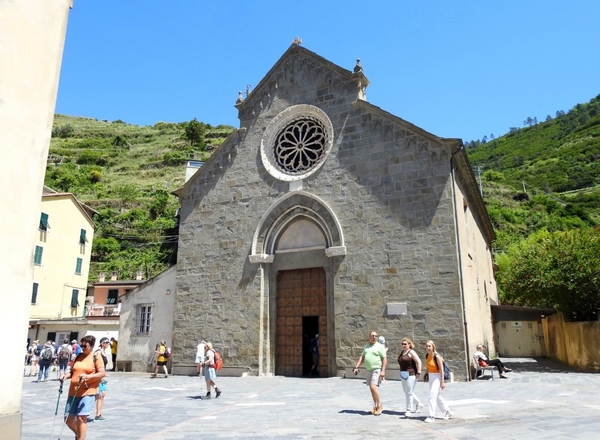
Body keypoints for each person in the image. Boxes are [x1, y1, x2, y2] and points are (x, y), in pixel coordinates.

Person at [59, 335, 106, 440]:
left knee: (81, 418)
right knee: (68, 419)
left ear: (92, 346)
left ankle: (81, 438)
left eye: (85, 346)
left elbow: (102, 373)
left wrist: (88, 376)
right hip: (73, 391)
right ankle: (79, 434)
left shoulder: (96, 356)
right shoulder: (78, 356)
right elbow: (72, 372)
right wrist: (65, 376)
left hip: (88, 391)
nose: (83, 348)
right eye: (82, 345)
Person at [352, 331, 387, 416]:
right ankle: (375, 406)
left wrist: (383, 371)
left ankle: (379, 406)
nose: (374, 337)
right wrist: (357, 367)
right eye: (373, 336)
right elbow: (362, 356)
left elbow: (384, 358)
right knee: (371, 388)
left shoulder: (379, 346)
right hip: (368, 369)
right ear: (369, 337)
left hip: (376, 369)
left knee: (373, 386)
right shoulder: (367, 345)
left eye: (376, 336)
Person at [423, 340, 452, 423]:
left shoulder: (437, 356)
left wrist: (442, 382)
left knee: (432, 396)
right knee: (437, 396)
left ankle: (431, 416)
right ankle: (447, 411)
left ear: (433, 347)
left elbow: (442, 370)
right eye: (427, 346)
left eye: (429, 346)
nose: (428, 348)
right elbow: (428, 367)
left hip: (437, 376)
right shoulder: (427, 356)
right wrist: (425, 375)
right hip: (431, 376)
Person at [398, 337, 423, 415]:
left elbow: (419, 362)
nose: (403, 345)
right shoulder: (402, 352)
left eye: (405, 344)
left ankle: (408, 409)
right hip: (403, 374)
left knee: (409, 392)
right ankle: (418, 403)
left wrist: (418, 373)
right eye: (402, 344)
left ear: (409, 344)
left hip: (411, 375)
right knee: (406, 391)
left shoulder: (411, 352)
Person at [93, 337, 111, 421]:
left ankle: (98, 414)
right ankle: (82, 409)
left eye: (108, 342)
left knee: (102, 395)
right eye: (106, 342)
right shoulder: (98, 352)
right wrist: (99, 377)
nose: (108, 344)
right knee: (97, 395)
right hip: (98, 377)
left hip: (102, 377)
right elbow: (95, 365)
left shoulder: (104, 352)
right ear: (102, 343)